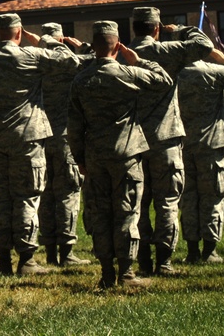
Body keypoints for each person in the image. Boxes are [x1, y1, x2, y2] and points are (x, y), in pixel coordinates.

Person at [0, 12, 81, 276]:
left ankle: (3, 261)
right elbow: (70, 61)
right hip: (27, 138)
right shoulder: (32, 56)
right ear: (19, 32)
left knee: (2, 198)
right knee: (27, 197)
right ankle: (27, 261)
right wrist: (46, 41)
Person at [68, 20, 173, 289]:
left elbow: (75, 125)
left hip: (95, 157)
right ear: (117, 46)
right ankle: (126, 273)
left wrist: (80, 159)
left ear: (94, 46)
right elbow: (165, 81)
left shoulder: (81, 80)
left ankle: (106, 273)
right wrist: (138, 61)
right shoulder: (127, 74)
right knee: (127, 214)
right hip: (126, 154)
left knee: (101, 214)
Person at [128, 7, 213, 275]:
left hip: (133, 140)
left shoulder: (122, 54)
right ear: (156, 27)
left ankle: (142, 260)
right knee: (167, 202)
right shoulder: (164, 52)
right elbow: (204, 45)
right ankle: (164, 261)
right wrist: (179, 30)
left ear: (134, 28)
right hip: (165, 137)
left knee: (137, 204)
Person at [36, 22, 91, 267]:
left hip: (40, 137)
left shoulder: (33, 61)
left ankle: (49, 251)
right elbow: (96, 59)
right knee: (68, 193)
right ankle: (67, 253)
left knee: (46, 195)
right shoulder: (67, 60)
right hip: (64, 137)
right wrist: (82, 47)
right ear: (60, 40)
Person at [177, 54, 224, 265]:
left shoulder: (175, 73)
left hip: (183, 142)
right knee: (213, 196)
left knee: (188, 198)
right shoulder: (214, 72)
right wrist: (221, 58)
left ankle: (192, 250)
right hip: (212, 143)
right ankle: (209, 251)